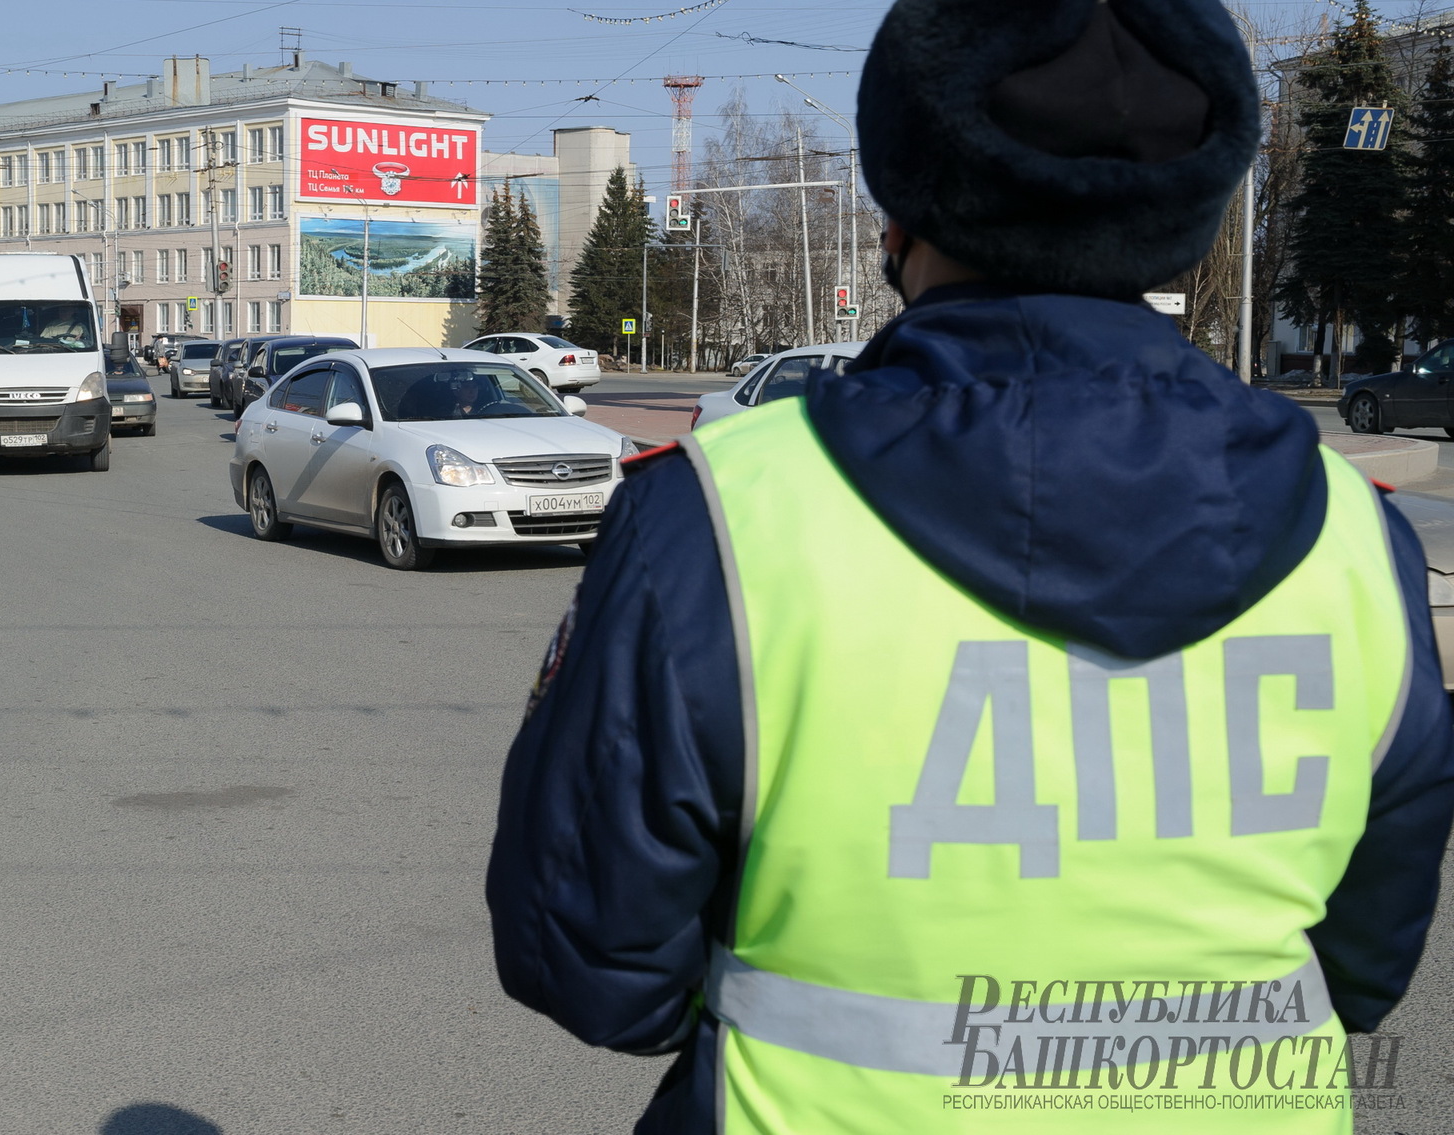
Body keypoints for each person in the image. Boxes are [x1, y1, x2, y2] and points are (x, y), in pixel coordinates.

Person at [487, 1, 1454, 1132]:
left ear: (899, 212)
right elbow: (1365, 964)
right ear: (1190, 215)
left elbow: (587, 955)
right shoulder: (1352, 535)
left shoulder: (722, 512)